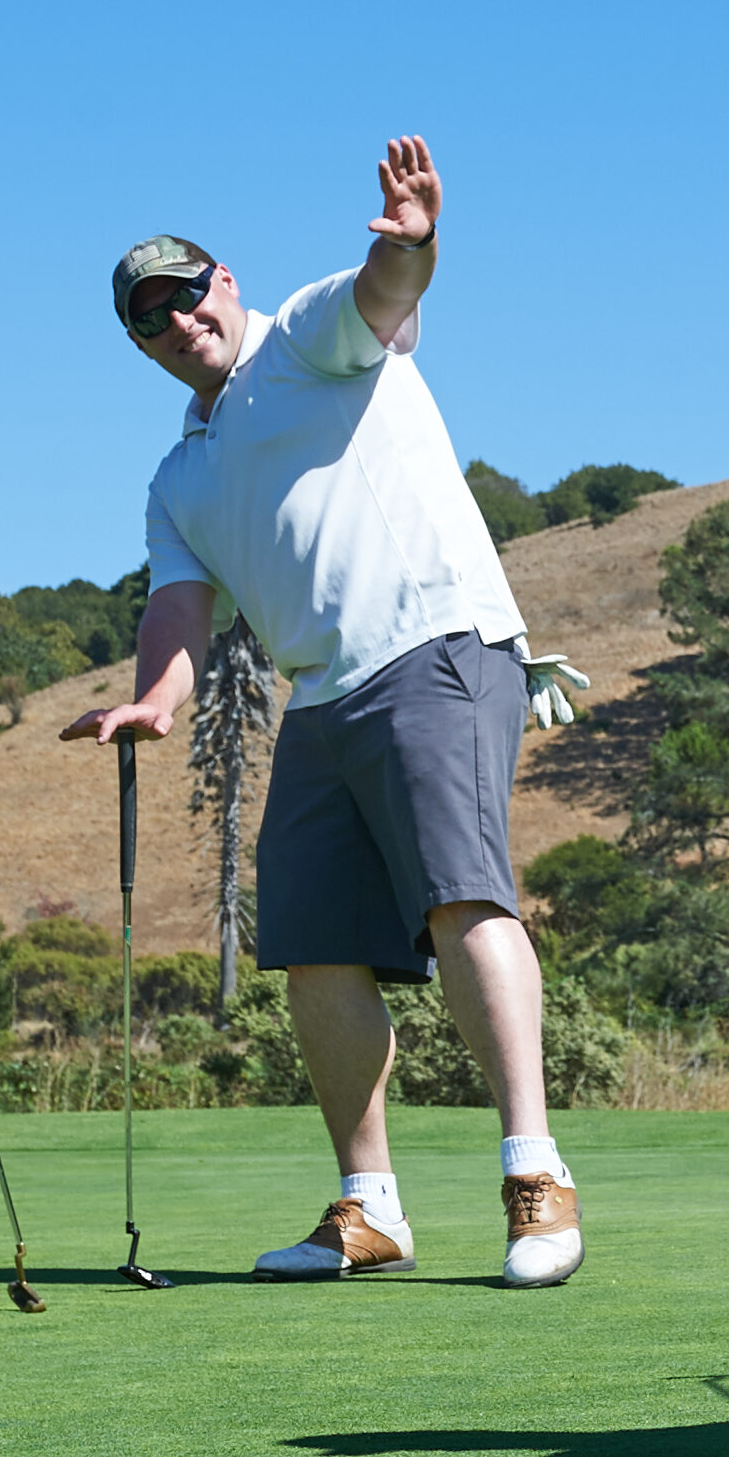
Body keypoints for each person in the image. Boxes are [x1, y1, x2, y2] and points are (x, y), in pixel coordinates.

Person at [60, 137, 593, 1288]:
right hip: (327, 695)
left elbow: (384, 297)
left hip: (437, 645)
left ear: (228, 286)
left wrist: (413, 245)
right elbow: (180, 608)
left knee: (462, 901)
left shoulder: (306, 334)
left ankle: (536, 1174)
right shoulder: (176, 478)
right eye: (151, 318)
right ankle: (371, 1206)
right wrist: (154, 701)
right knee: (313, 952)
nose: (179, 322)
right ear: (141, 345)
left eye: (189, 294)